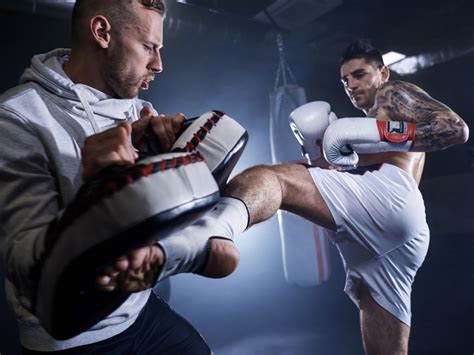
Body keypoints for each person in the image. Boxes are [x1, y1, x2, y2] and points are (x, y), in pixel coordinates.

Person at [99, 39, 469, 354]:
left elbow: (454, 129)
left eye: (359, 74)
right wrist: (325, 153)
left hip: (391, 196)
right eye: (344, 80)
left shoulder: (394, 94)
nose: (351, 85)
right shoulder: (363, 127)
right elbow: (343, 175)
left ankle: (200, 239)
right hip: (395, 234)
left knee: (269, 179)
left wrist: (356, 130)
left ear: (382, 73)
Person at [0, 0, 239, 353]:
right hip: (73, 338)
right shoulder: (17, 118)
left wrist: (161, 161)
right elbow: (29, 270)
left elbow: (148, 216)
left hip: (139, 311)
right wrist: (95, 186)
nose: (158, 64)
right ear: (102, 33)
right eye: (148, 47)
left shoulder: (136, 109)